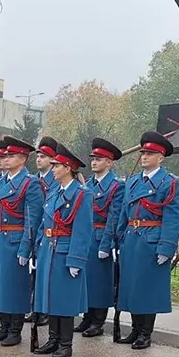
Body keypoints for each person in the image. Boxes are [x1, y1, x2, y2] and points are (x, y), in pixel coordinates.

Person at [115, 131, 179, 350]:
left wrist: (166, 246)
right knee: (132, 287)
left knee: (148, 288)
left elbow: (173, 217)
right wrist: (119, 240)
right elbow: (124, 214)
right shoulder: (133, 181)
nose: (144, 156)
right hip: (132, 239)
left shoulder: (169, 183)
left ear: (160, 158)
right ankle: (135, 328)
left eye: (150, 153)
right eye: (143, 152)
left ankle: (146, 332)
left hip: (151, 240)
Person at [32, 142, 92, 357]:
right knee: (50, 296)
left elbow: (83, 231)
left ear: (68, 168)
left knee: (65, 299)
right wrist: (38, 249)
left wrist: (76, 260)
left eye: (57, 165)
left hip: (66, 252)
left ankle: (65, 343)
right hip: (49, 250)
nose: (53, 168)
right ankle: (53, 338)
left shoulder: (82, 195)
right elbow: (43, 223)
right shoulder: (54, 191)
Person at [0, 136, 43, 346]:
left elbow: (32, 219)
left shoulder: (30, 183)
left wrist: (26, 248)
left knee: (14, 285)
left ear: (23, 159)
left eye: (11, 156)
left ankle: (15, 330)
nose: (6, 159)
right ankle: (4, 326)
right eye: (5, 155)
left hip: (15, 240)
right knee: (0, 284)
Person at [75, 137, 125, 338]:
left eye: (99, 159)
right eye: (93, 158)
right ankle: (87, 316)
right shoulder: (87, 185)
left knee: (100, 281)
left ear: (109, 162)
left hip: (101, 236)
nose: (94, 162)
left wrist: (107, 243)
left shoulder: (116, 187)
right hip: (86, 236)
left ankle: (98, 321)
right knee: (86, 279)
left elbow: (114, 217)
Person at [26, 136, 59, 327]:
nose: (39, 159)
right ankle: (34, 306)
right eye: (38, 155)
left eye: (44, 156)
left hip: (49, 229)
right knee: (33, 271)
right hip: (34, 228)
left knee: (46, 272)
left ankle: (45, 310)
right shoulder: (33, 180)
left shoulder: (56, 181)